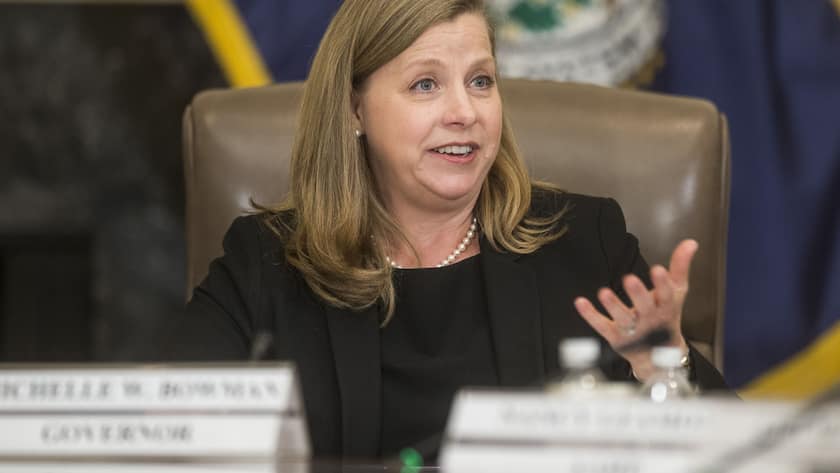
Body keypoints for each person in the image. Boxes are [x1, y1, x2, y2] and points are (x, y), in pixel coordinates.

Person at [166, 0, 729, 462]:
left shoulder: (585, 244)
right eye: (426, 86)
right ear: (352, 109)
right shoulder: (266, 263)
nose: (465, 111)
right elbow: (172, 434)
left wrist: (667, 367)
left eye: (480, 81)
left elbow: (739, 451)